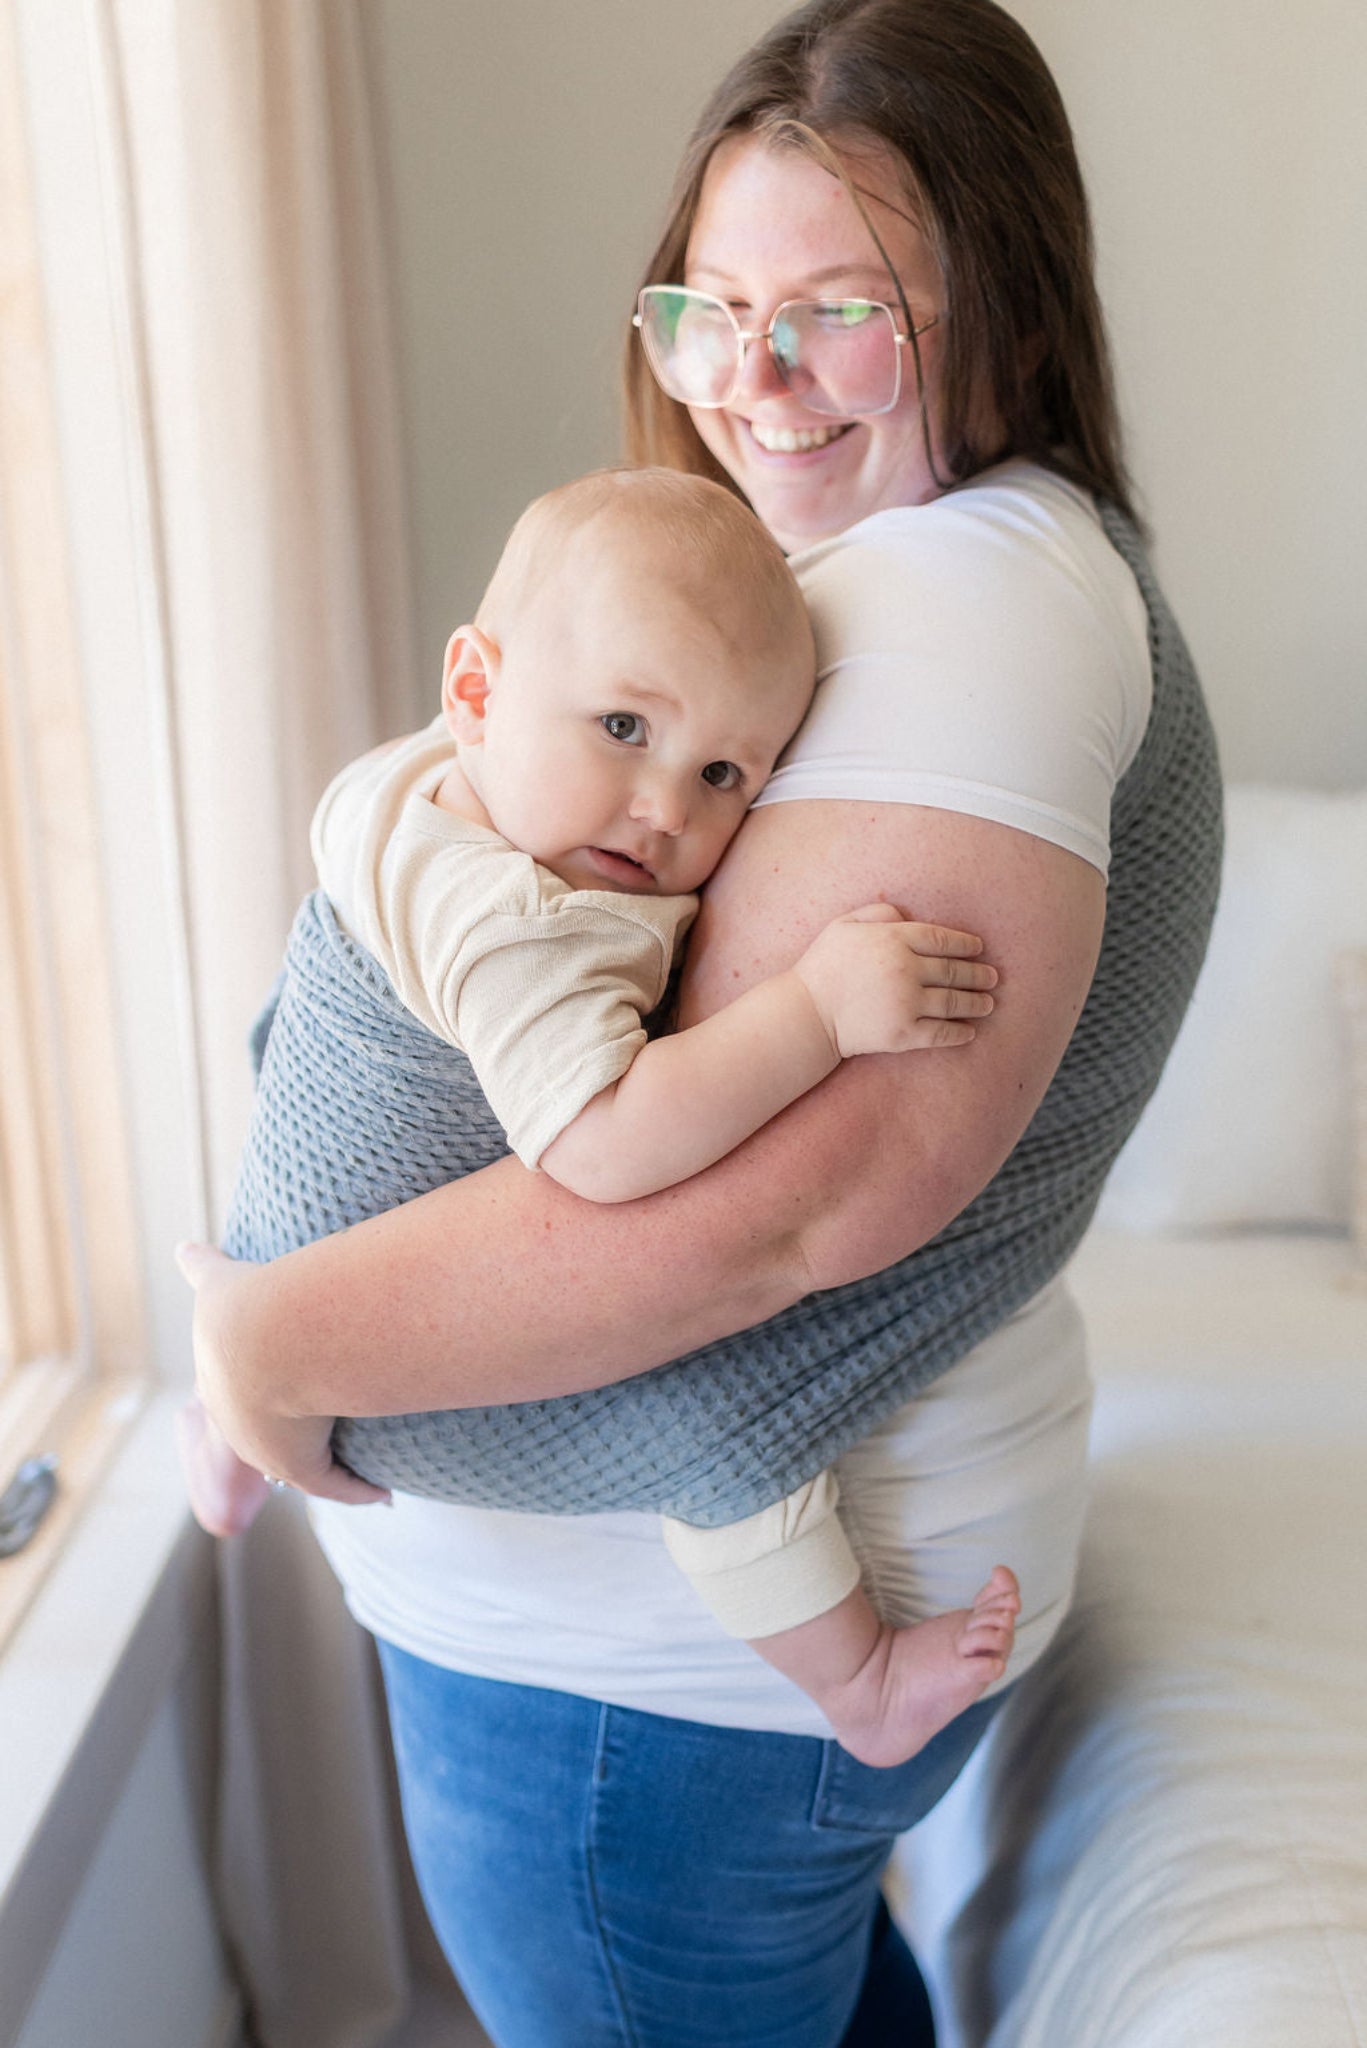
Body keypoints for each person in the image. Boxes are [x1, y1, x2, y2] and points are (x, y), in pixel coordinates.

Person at [179, 1, 1222, 2041]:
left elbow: (770, 1212)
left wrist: (262, 1338)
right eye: (708, 308)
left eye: (838, 311)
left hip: (644, 1721)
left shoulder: (976, 606)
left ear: (999, 305)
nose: (751, 382)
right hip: (649, 1711)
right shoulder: (819, 582)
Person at [180, 463, 1018, 1768]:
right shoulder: (533, 928)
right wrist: (816, 1010)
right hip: (372, 1342)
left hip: (281, 1230)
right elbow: (608, 1144)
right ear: (476, 690)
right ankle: (858, 1685)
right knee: (733, 1442)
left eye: (727, 771)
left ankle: (222, 1427)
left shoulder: (411, 783)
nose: (667, 809)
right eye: (626, 728)